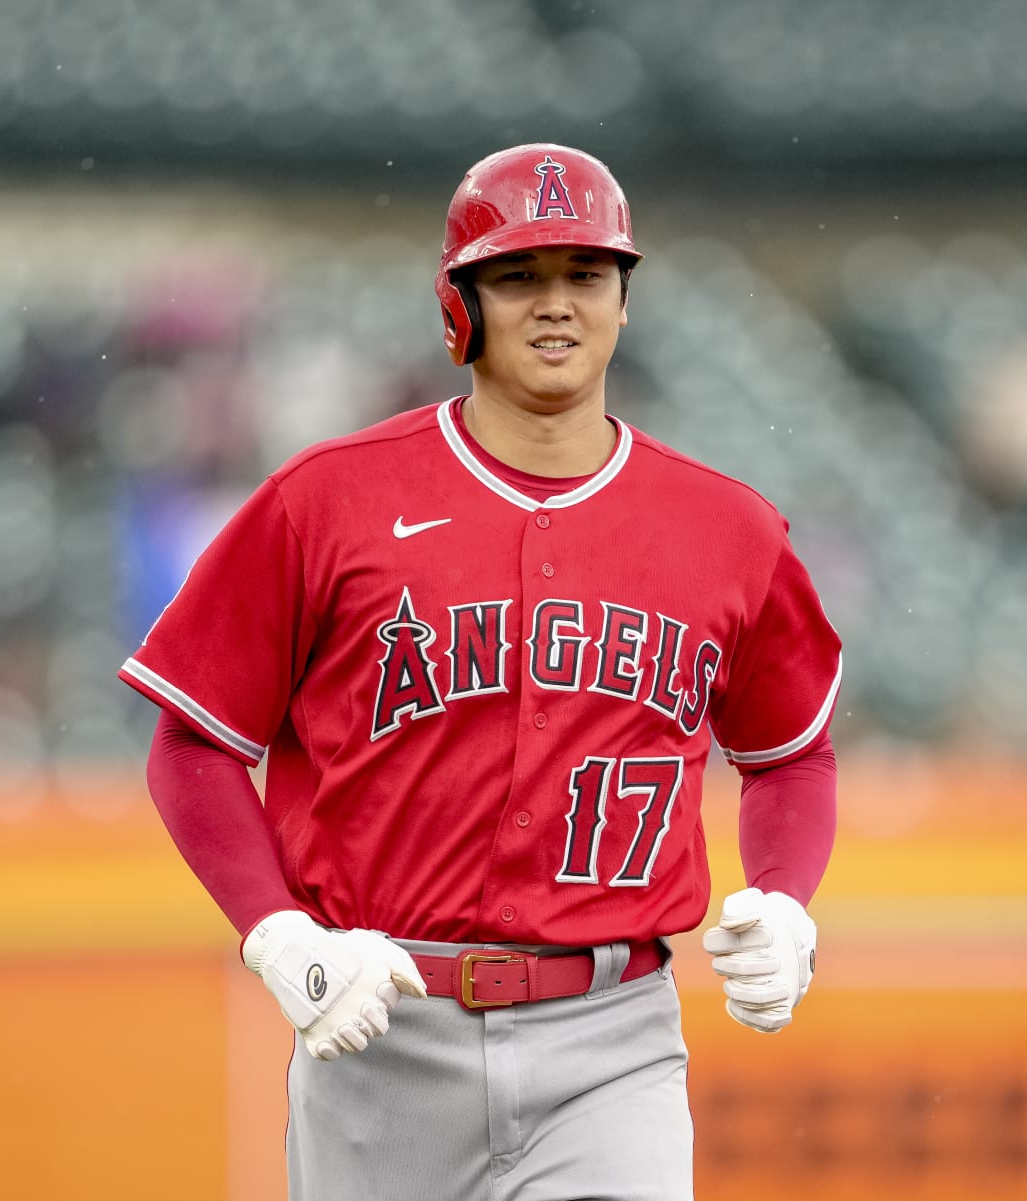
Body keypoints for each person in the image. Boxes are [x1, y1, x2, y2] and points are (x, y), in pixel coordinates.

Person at [121, 143, 843, 1201]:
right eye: (519, 277)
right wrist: (276, 932)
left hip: (612, 1036)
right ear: (460, 307)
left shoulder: (726, 528)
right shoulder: (327, 501)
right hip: (379, 1030)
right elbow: (194, 741)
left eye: (586, 275)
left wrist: (785, 900)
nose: (556, 305)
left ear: (625, 300)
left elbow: (792, 755)